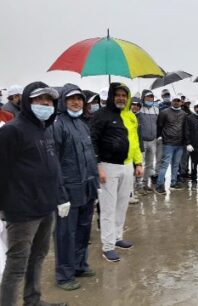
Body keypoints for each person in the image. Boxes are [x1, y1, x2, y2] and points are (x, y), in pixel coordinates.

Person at [0, 81, 68, 306]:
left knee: (38, 257)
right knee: (16, 264)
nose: (44, 104)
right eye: (39, 99)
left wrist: (60, 196)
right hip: (22, 211)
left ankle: (33, 299)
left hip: (46, 206)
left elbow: (52, 166)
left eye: (48, 100)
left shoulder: (45, 129)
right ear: (28, 102)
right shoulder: (12, 130)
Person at [52, 84, 99, 290]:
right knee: (65, 233)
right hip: (68, 190)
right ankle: (64, 274)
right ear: (63, 101)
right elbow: (53, 163)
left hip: (87, 187)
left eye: (79, 99)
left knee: (83, 230)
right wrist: (60, 195)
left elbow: (90, 156)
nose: (76, 102)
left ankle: (80, 265)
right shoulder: (57, 125)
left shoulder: (82, 124)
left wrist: (95, 183)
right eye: (71, 99)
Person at [90, 82, 143, 262]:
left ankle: (117, 237)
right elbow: (93, 141)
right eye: (117, 95)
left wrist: (138, 163)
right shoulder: (100, 115)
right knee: (107, 208)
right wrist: (98, 167)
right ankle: (107, 246)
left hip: (127, 166)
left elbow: (135, 141)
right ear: (111, 96)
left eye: (124, 95)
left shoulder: (130, 116)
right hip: (108, 166)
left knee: (122, 204)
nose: (121, 98)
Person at [156, 94, 187, 193]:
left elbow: (186, 128)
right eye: (175, 100)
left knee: (176, 165)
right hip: (168, 143)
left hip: (180, 144)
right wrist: (160, 137)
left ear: (181, 102)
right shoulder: (164, 112)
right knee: (164, 164)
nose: (176, 102)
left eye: (178, 100)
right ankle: (159, 185)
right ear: (171, 101)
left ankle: (173, 183)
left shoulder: (184, 113)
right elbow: (159, 126)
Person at [137, 89, 159, 193]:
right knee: (139, 163)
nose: (150, 99)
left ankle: (145, 183)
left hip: (153, 140)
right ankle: (138, 185)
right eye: (148, 97)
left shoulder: (156, 109)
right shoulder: (139, 109)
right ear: (143, 98)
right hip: (142, 141)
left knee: (149, 164)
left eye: (151, 97)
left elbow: (158, 123)